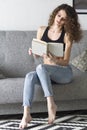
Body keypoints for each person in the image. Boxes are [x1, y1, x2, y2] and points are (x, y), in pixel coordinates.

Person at [19, 4, 82, 129]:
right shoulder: (42, 30)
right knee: (30, 76)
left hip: (63, 73)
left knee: (41, 68)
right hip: (46, 73)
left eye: (63, 18)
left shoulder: (67, 35)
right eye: (59, 15)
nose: (59, 20)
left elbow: (66, 61)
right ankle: (26, 114)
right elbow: (38, 55)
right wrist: (34, 53)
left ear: (68, 21)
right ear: (55, 14)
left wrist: (55, 60)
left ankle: (50, 103)